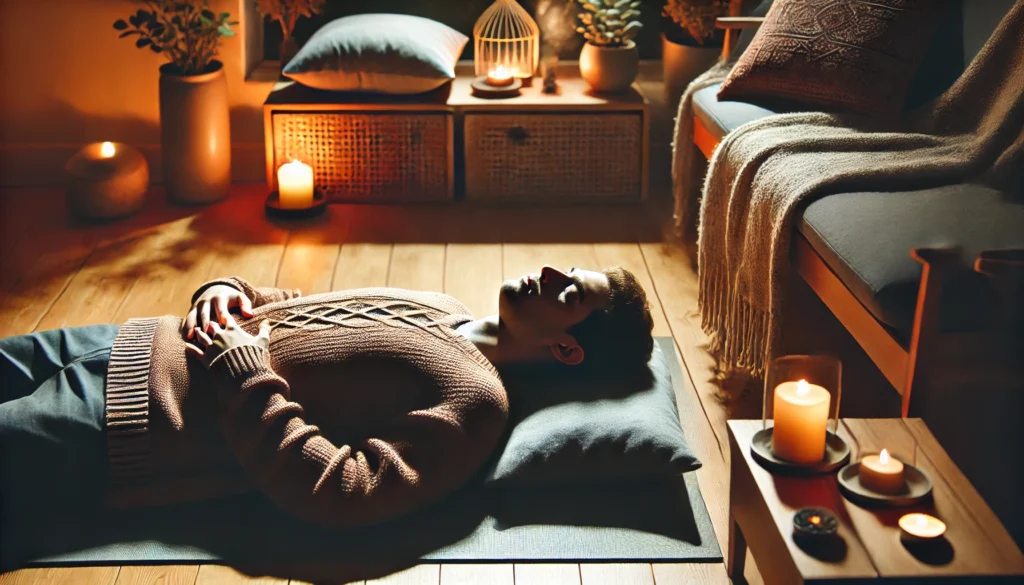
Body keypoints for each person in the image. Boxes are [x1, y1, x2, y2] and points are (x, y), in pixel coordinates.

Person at [0, 265, 653, 566]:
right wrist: (233, 291)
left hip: (137, 418)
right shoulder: (439, 299)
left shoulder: (475, 398)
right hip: (131, 340)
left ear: (567, 349)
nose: (548, 271)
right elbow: (299, 307)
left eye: (570, 292)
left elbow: (346, 491)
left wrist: (246, 372)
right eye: (569, 268)